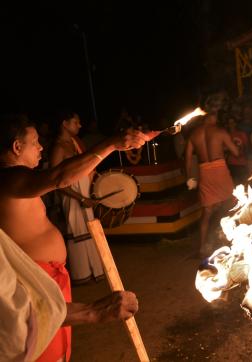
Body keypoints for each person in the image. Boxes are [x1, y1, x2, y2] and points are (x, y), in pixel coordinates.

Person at [0, 114, 151, 361]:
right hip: (33, 284)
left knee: (58, 347)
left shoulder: (18, 179)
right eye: (35, 142)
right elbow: (58, 177)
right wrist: (111, 144)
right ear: (17, 147)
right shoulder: (8, 179)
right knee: (42, 349)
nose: (41, 147)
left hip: (49, 280)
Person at [0, 227, 139, 361]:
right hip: (35, 291)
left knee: (59, 350)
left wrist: (91, 310)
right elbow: (16, 322)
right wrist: (92, 311)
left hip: (45, 291)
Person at [50, 112, 104, 285]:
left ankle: (96, 270)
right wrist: (80, 198)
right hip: (73, 198)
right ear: (64, 123)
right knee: (79, 233)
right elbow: (56, 182)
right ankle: (83, 274)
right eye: (76, 122)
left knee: (91, 230)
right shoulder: (58, 148)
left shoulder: (75, 143)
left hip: (85, 196)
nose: (79, 125)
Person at [185, 112, 239, 257]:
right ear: (211, 117)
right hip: (220, 170)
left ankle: (202, 247)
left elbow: (188, 159)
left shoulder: (194, 134)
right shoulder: (220, 132)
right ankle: (232, 242)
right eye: (216, 116)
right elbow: (236, 152)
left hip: (205, 172)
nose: (217, 119)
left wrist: (189, 177)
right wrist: (229, 147)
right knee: (231, 204)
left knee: (207, 212)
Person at [225, 115, 249, 185]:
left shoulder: (242, 134)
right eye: (229, 123)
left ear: (235, 123)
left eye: (233, 122)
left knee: (244, 183)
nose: (231, 124)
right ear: (227, 124)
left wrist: (245, 158)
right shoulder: (225, 135)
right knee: (234, 185)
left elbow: (246, 147)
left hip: (242, 163)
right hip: (232, 164)